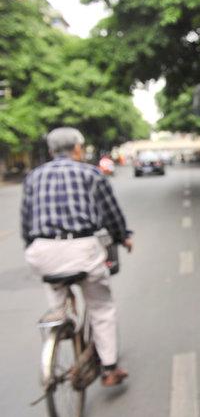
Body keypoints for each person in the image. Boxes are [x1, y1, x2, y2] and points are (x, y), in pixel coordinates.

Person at [21, 127, 132, 386]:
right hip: (81, 249)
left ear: (50, 151)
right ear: (78, 149)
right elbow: (111, 214)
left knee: (56, 293)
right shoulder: (91, 173)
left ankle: (60, 323)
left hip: (41, 251)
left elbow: (26, 222)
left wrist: (34, 247)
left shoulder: (33, 176)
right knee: (101, 308)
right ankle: (109, 368)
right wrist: (123, 236)